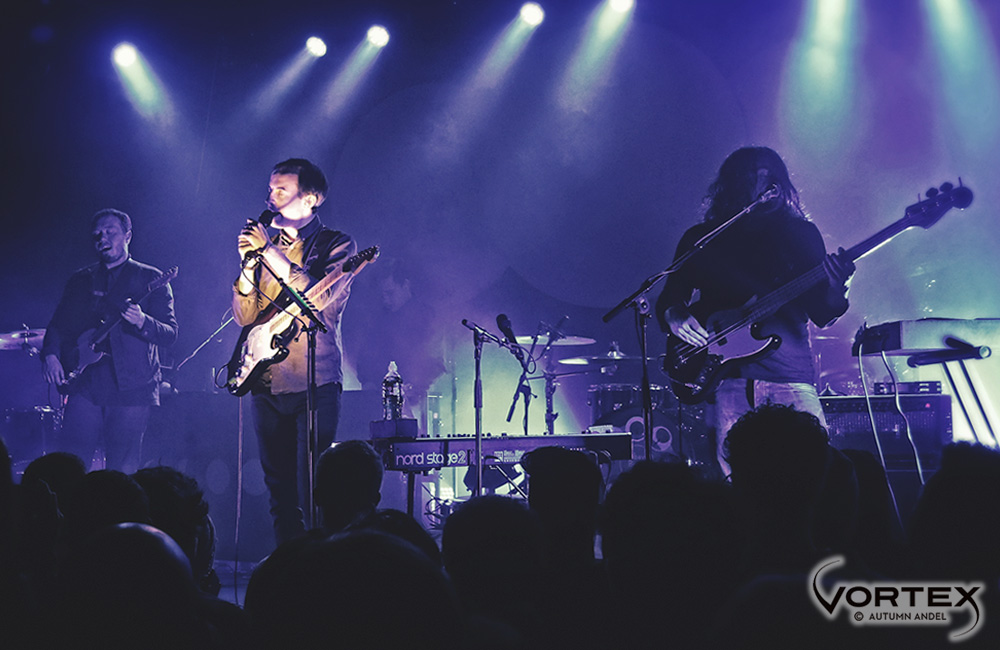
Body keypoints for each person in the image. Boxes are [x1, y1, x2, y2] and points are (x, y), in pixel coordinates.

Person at [656, 146, 854, 479]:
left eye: (770, 173)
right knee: (740, 481)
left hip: (789, 374)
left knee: (814, 474)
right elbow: (670, 297)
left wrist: (837, 288)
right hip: (731, 379)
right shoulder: (703, 238)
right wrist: (675, 315)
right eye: (753, 174)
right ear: (733, 184)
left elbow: (823, 312)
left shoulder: (801, 234)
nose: (765, 180)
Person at [232, 158, 356, 546]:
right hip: (265, 381)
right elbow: (243, 316)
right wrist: (247, 269)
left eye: (281, 190)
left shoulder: (337, 244)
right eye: (270, 188)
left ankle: (323, 569)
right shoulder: (266, 247)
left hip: (314, 381)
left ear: (312, 198)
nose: (271, 197)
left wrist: (268, 251)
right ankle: (289, 567)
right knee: (279, 492)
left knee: (315, 489)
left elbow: (320, 299)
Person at [42, 209, 178, 473]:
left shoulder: (150, 277)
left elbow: (170, 333)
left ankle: (120, 514)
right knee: (71, 464)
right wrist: (50, 354)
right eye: (97, 234)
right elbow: (59, 324)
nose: (102, 238)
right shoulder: (81, 280)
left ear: (128, 236)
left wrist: (142, 321)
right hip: (86, 384)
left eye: (110, 232)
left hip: (134, 386)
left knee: (123, 469)